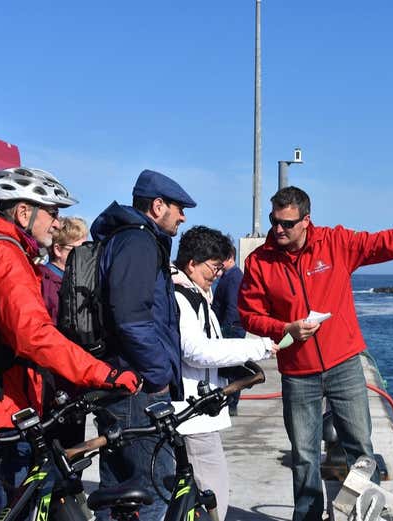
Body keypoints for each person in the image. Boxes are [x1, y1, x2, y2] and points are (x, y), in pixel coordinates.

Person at [238, 186, 393, 521]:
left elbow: (386, 242)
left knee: (360, 450)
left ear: (307, 220)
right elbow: (249, 314)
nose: (278, 229)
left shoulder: (336, 243)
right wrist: (284, 329)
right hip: (298, 371)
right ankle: (307, 516)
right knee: (305, 455)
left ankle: (362, 514)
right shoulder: (259, 261)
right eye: (274, 221)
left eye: (287, 223)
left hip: (344, 364)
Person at [0, 167, 140, 521]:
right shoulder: (5, 255)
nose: (56, 222)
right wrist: (104, 374)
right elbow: (34, 335)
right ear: (24, 212)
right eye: (52, 211)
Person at [90, 169, 195, 521]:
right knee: (152, 492)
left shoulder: (123, 238)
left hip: (121, 380)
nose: (182, 216)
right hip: (139, 387)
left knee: (116, 492)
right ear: (157, 205)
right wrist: (158, 372)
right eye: (179, 208)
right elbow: (131, 315)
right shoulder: (138, 241)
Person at [171, 226, 278, 520]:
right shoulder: (182, 297)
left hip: (198, 412)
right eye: (213, 267)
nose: (217, 274)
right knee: (214, 488)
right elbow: (196, 351)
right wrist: (257, 350)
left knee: (207, 487)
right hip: (191, 415)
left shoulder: (195, 292)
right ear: (191, 263)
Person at [39, 216, 90, 449]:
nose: (85, 258)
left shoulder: (79, 284)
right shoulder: (44, 281)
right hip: (51, 383)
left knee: (73, 454)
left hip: (74, 380)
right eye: (78, 250)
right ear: (58, 249)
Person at [212, 241, 245, 415]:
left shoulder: (234, 277)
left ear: (230, 258)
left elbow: (233, 306)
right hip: (228, 326)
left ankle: (232, 404)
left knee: (231, 368)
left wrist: (226, 329)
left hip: (231, 328)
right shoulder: (227, 276)